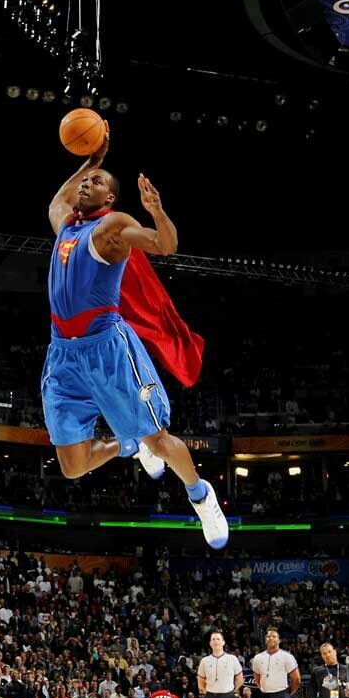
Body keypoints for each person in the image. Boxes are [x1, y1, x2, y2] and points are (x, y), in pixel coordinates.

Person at [44, 126, 229, 549]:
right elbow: (57, 200)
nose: (86, 184)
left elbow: (165, 245)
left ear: (109, 198)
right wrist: (90, 160)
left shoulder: (113, 227)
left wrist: (157, 212)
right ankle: (123, 443)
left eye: (96, 182)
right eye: (86, 181)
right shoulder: (66, 229)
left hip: (108, 351)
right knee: (73, 467)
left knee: (159, 440)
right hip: (63, 356)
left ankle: (201, 497)